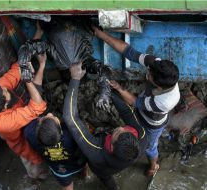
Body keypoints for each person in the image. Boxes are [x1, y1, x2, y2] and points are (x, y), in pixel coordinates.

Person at [93, 26, 180, 176]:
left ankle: (153, 166)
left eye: (150, 76)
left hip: (152, 123)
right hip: (142, 106)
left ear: (159, 85)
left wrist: (119, 89)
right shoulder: (157, 65)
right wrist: (102, 35)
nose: (147, 73)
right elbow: (130, 52)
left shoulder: (165, 101)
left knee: (150, 146)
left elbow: (135, 102)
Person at [63, 62, 147, 190]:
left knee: (104, 176)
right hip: (120, 164)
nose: (120, 128)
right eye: (125, 129)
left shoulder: (96, 151)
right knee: (108, 179)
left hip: (101, 167)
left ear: (112, 147)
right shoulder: (141, 136)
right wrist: (107, 93)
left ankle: (89, 174)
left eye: (117, 133)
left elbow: (70, 118)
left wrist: (75, 79)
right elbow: (126, 111)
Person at [0, 49, 48, 180]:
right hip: (20, 143)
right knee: (33, 161)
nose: (5, 88)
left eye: (3, 89)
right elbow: (38, 108)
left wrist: (31, 47)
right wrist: (28, 81)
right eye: (6, 92)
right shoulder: (4, 123)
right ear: (4, 106)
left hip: (21, 127)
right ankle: (37, 177)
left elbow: (16, 70)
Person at [24, 113, 87, 190]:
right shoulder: (71, 135)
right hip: (77, 163)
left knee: (67, 185)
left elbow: (28, 121)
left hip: (60, 170)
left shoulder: (30, 134)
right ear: (60, 129)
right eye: (53, 117)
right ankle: (84, 176)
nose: (49, 113)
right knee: (82, 168)